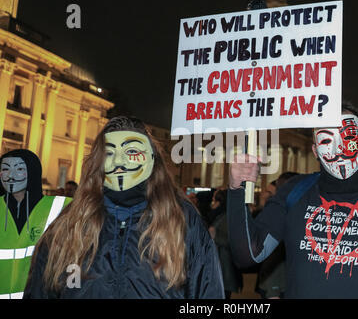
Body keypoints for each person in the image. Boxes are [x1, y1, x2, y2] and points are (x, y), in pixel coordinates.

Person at [227, 104, 358, 298]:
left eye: (349, 137)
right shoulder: (293, 192)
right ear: (315, 150)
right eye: (327, 140)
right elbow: (248, 255)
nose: (340, 149)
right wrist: (236, 189)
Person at [24, 116, 224, 299]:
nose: (119, 161)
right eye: (110, 152)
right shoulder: (70, 224)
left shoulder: (182, 220)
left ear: (152, 159)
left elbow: (208, 293)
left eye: (132, 151)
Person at [0, 149, 71, 299]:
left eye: (19, 169)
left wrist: (73, 290)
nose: (10, 176)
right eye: (5, 169)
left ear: (32, 171)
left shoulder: (63, 208)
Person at [256, 172, 298, 299]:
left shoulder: (287, 214)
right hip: (276, 286)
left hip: (281, 285)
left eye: (270, 192)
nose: (265, 195)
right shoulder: (279, 215)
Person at [208, 189, 243, 299]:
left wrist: (215, 236)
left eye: (215, 199)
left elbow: (234, 242)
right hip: (221, 267)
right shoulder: (221, 215)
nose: (213, 202)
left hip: (225, 268)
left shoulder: (228, 217)